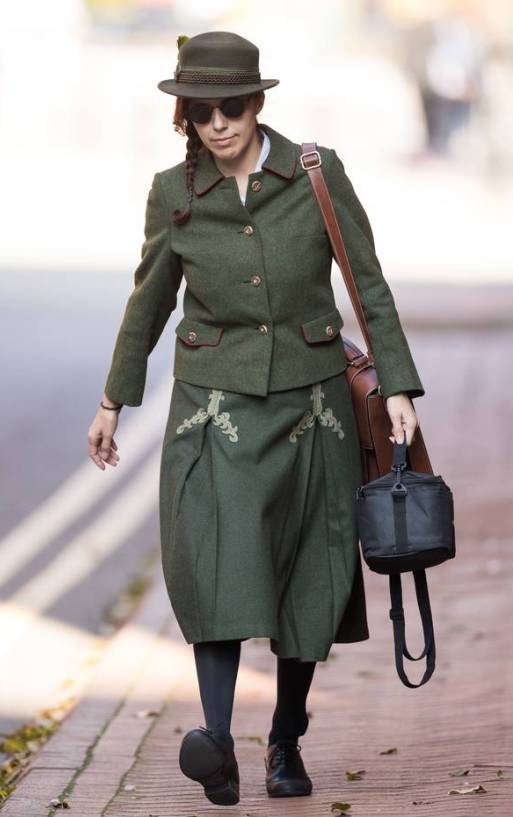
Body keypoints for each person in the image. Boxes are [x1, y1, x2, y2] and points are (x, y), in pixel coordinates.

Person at [87, 30, 424, 807]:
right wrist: (113, 399)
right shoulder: (174, 193)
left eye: (230, 107)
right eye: (200, 111)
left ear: (258, 102)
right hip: (211, 410)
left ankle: (285, 740)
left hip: (314, 406)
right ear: (186, 118)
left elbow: (365, 280)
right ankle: (216, 743)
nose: (217, 124)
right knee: (216, 564)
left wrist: (397, 385)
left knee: (309, 574)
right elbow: (148, 300)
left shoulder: (313, 172)